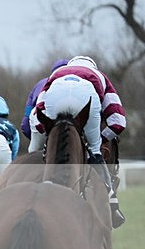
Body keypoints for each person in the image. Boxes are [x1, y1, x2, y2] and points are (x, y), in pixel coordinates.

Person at [29, 55, 127, 227]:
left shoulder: (57, 73)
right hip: (87, 94)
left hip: (55, 95)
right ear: (93, 67)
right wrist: (98, 140)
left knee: (48, 147)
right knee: (95, 151)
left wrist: (49, 135)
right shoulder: (100, 76)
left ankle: (37, 192)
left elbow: (37, 114)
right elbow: (118, 121)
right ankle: (112, 203)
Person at [21, 58, 69, 142]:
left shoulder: (39, 85)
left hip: (41, 127)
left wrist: (35, 139)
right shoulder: (78, 84)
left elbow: (25, 123)